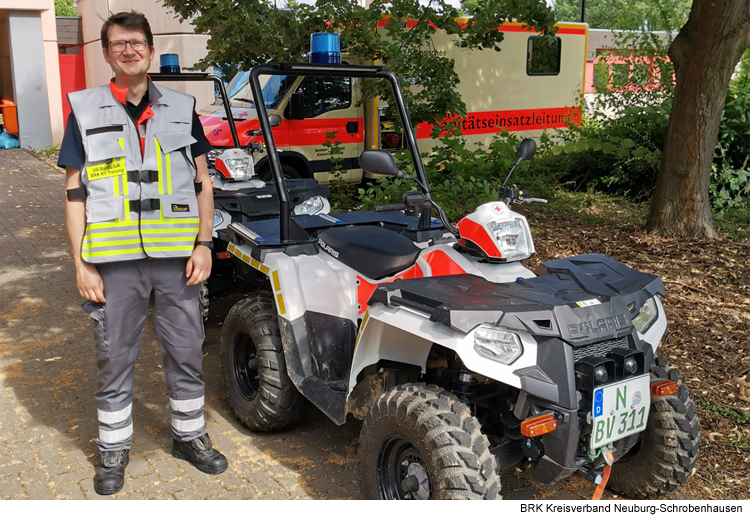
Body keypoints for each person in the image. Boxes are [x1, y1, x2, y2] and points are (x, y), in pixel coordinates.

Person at [59, 11, 228, 496]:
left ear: (150, 50)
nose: (128, 50)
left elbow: (201, 184)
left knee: (185, 350)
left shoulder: (180, 106)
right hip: (113, 264)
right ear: (107, 52)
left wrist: (203, 244)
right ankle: (114, 448)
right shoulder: (84, 110)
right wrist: (81, 262)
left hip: (177, 260)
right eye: (118, 44)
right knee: (114, 356)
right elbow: (75, 194)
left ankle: (189, 436)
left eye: (136, 42)